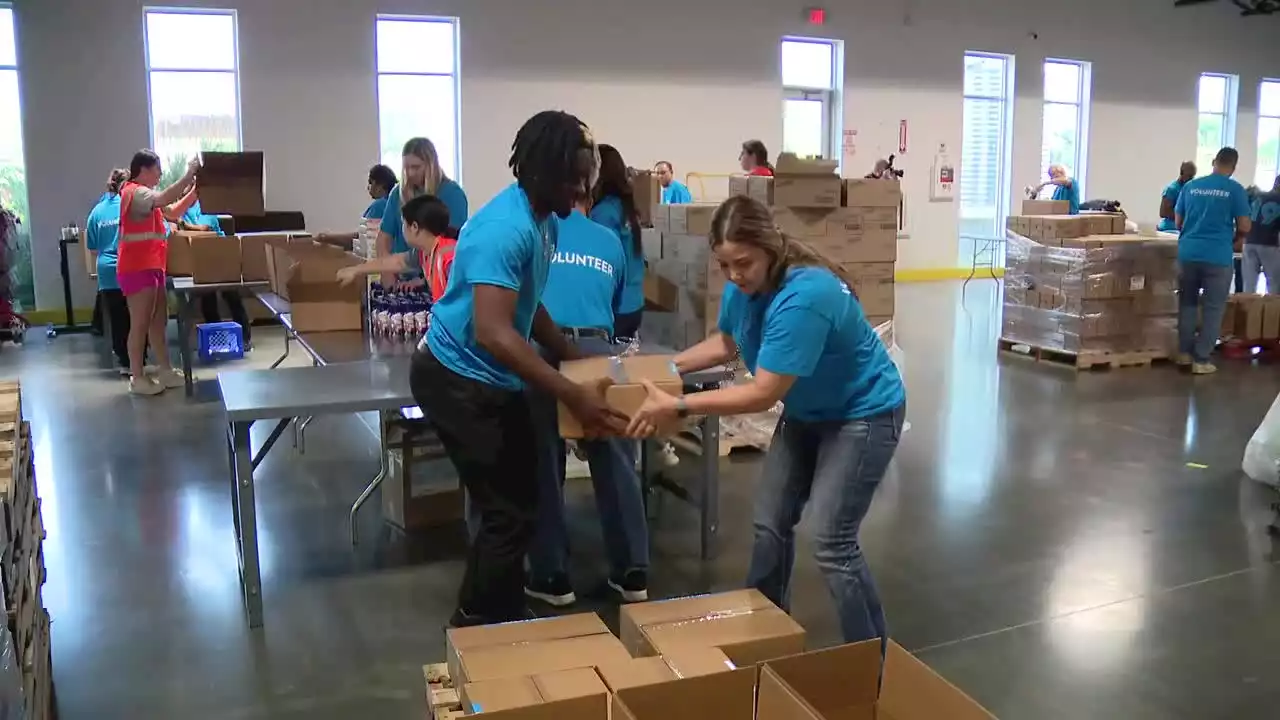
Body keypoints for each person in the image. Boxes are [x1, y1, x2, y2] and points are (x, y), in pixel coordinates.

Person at [626, 195, 906, 648]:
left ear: (770, 249)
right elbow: (725, 344)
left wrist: (679, 407)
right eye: (725, 265)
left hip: (863, 413)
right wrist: (666, 369)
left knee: (832, 542)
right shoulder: (745, 288)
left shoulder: (805, 297)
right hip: (808, 410)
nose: (734, 275)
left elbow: (763, 393)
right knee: (770, 523)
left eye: (744, 263)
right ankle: (766, 633)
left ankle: (871, 656)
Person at [411, 110, 626, 627]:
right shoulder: (505, 229)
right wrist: (571, 394)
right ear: (540, 171)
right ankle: (471, 628)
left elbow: (531, 305)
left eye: (585, 174)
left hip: (490, 377)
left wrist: (573, 357)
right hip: (455, 378)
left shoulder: (543, 222)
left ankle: (501, 614)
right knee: (507, 514)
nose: (581, 188)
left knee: (522, 502)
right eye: (572, 176)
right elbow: (494, 331)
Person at [524, 187, 649, 607]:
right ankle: (632, 572)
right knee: (615, 459)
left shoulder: (537, 232)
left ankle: (551, 575)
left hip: (541, 347)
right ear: (588, 202)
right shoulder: (609, 240)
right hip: (595, 348)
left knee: (542, 460)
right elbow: (614, 306)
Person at [117, 150, 200, 396]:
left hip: (152, 267)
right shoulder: (136, 193)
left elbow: (172, 212)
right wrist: (188, 176)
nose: (161, 174)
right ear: (143, 169)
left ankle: (165, 370)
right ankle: (137, 377)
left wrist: (194, 192)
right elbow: (164, 198)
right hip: (137, 268)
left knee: (157, 322)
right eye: (157, 169)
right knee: (140, 323)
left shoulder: (146, 198)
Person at [1175, 147, 1252, 374]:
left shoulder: (1190, 186)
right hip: (1217, 256)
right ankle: (1201, 360)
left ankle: (1184, 353)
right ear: (1234, 166)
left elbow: (1178, 221)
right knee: (1213, 308)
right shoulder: (1235, 190)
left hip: (1187, 253)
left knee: (1187, 304)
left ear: (1214, 162)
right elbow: (1245, 225)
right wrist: (1236, 238)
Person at [377, 137, 468, 286]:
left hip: (435, 281)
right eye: (406, 168)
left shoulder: (453, 194)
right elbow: (383, 238)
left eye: (416, 167)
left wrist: (424, 280)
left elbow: (453, 247)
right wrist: (386, 272)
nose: (410, 173)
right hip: (401, 278)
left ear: (431, 165)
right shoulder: (397, 194)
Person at [337, 194, 460, 303]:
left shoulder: (448, 257)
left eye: (403, 224)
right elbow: (397, 261)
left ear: (414, 227)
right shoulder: (424, 253)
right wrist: (356, 270)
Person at [176, 197, 252, 348]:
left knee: (231, 296)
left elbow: (205, 229)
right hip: (200, 256)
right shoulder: (180, 209)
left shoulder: (206, 206)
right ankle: (218, 339)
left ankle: (245, 339)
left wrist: (184, 225)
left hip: (220, 252)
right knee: (207, 298)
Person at [591, 145, 646, 338]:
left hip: (617, 308)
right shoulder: (627, 208)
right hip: (634, 303)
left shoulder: (603, 214)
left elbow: (603, 265)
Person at [85, 169, 130, 374]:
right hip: (130, 267)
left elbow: (93, 248)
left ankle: (124, 361)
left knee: (117, 318)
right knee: (136, 318)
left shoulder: (96, 212)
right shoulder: (129, 206)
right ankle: (138, 360)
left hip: (107, 271)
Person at [1244, 175, 1280, 295]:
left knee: (1249, 284)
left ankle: (1247, 311)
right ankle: (1272, 312)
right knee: (1274, 284)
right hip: (1269, 244)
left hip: (1249, 241)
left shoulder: (1258, 196)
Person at [1158, 161, 1196, 233]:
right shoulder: (1172, 189)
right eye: (1189, 176)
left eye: (1193, 176)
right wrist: (1182, 216)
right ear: (1182, 173)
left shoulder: (1189, 188)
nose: (1191, 179)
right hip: (1169, 229)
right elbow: (1163, 213)